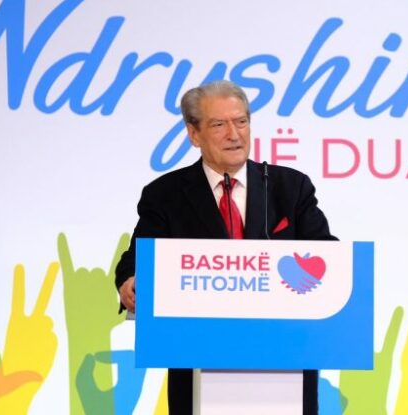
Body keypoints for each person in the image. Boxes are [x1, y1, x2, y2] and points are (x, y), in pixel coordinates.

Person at [115, 80, 336, 414]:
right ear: (194, 134)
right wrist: (129, 280)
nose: (234, 134)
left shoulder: (290, 187)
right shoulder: (165, 194)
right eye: (219, 124)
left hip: (284, 358)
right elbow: (138, 258)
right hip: (197, 359)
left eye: (241, 121)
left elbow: (327, 256)